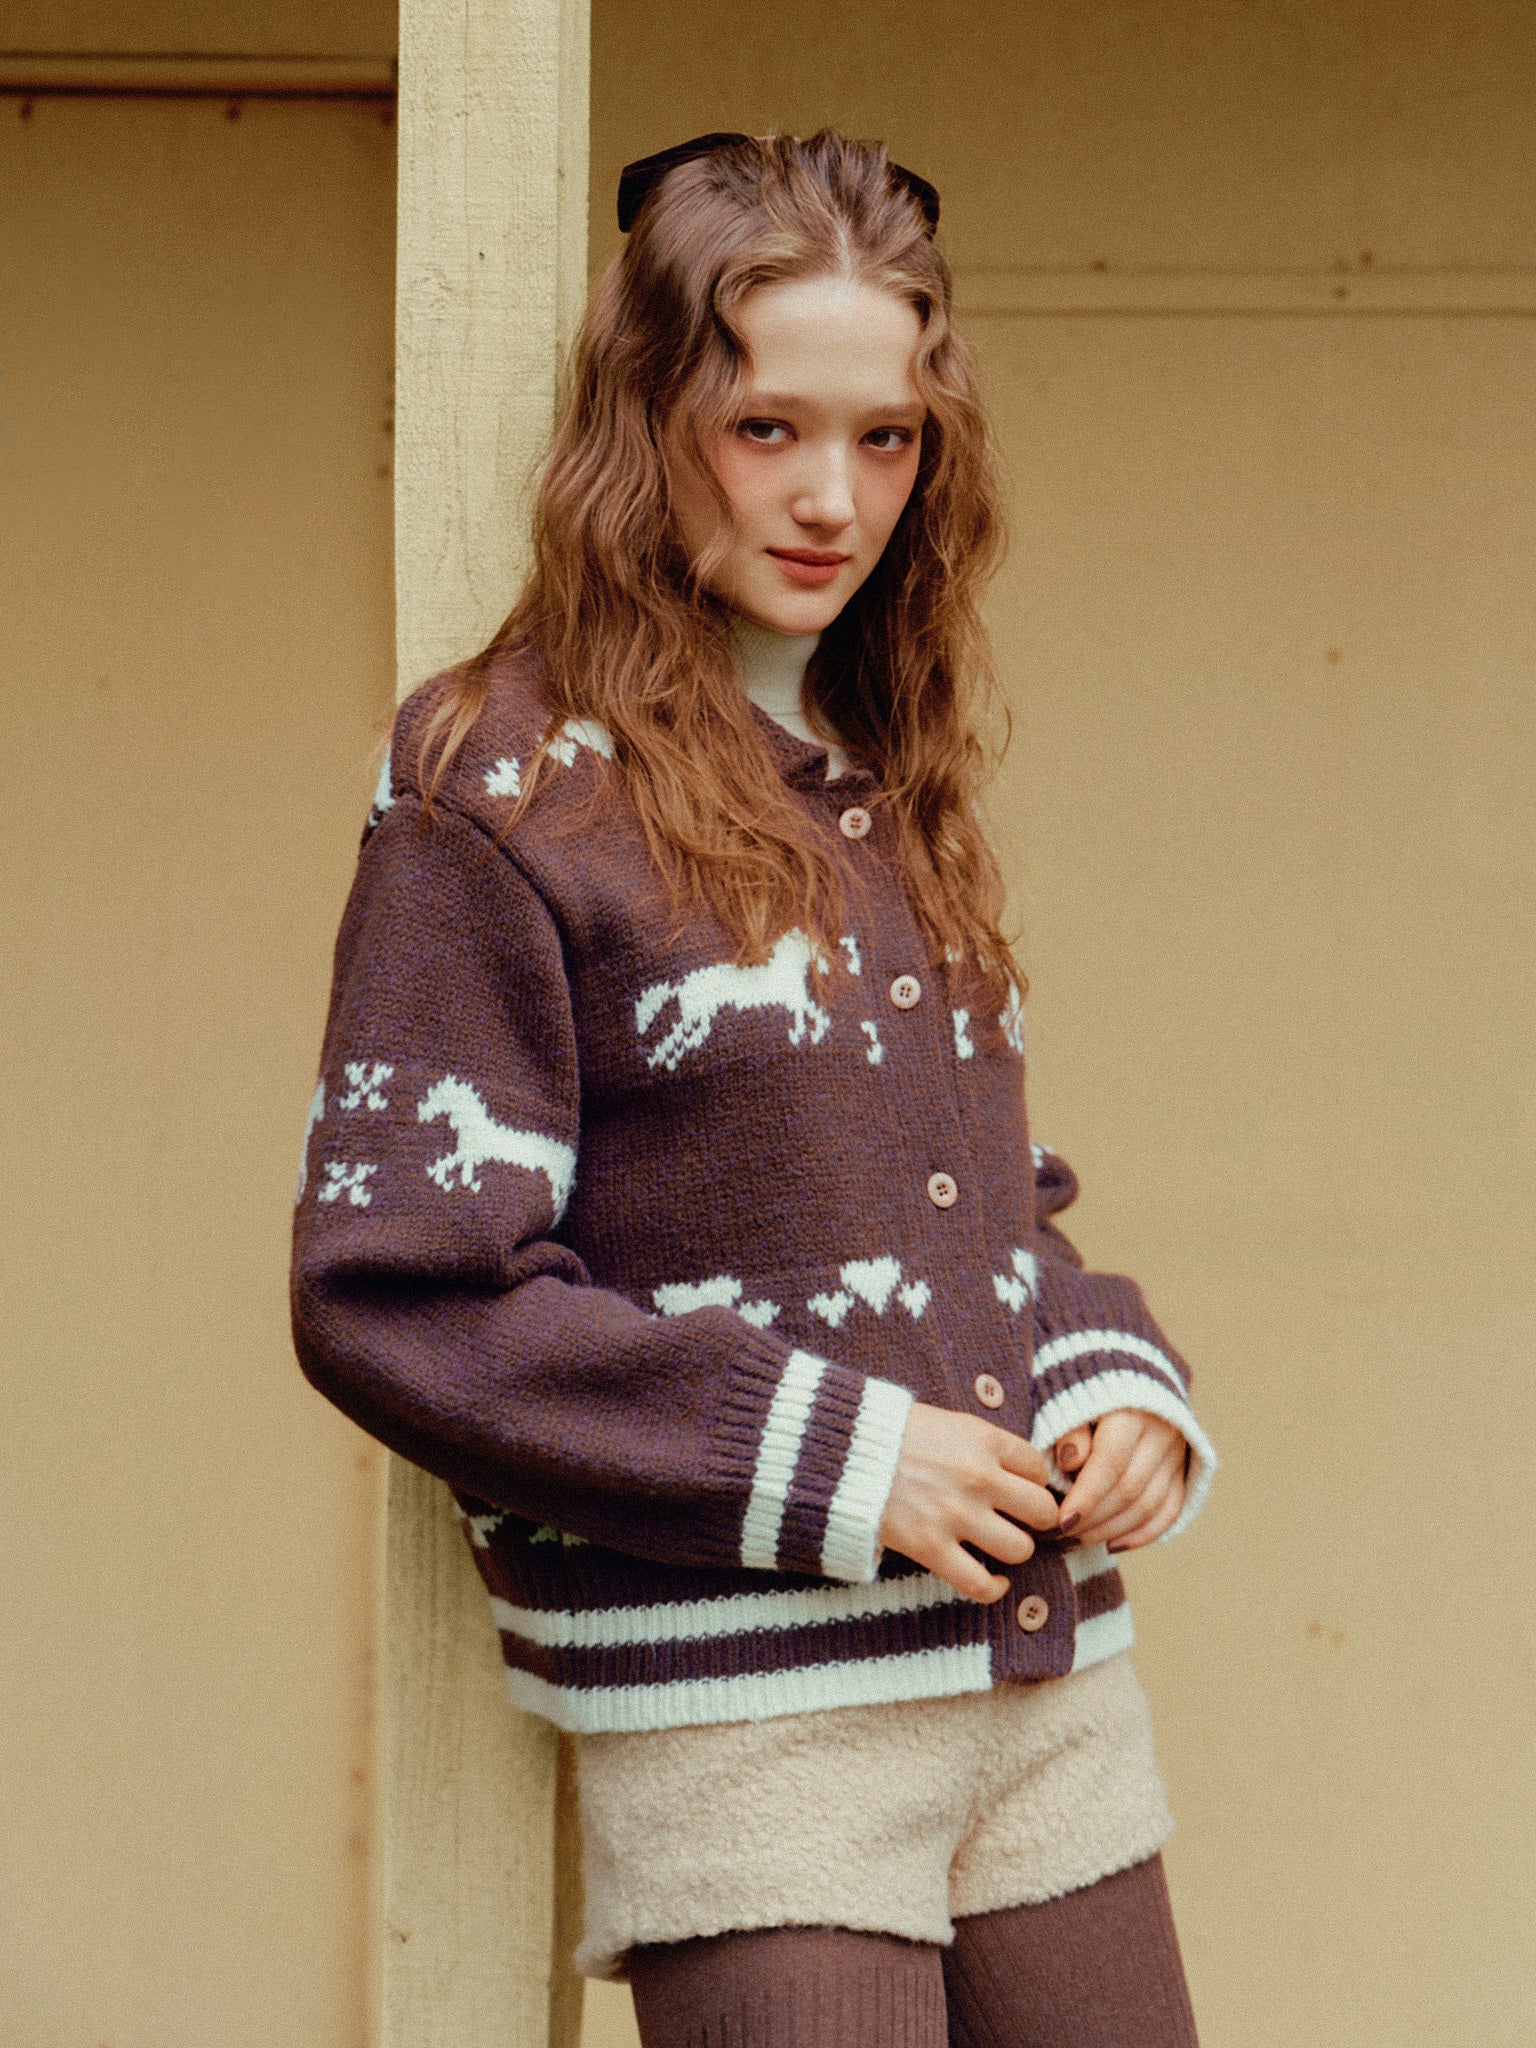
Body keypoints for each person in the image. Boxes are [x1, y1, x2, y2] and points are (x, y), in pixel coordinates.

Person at [292, 129, 1217, 2048]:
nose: (832, 497)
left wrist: (1101, 1379)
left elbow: (967, 1204)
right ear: (648, 423)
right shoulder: (500, 782)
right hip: (753, 1724)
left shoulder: (885, 755)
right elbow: (400, 1295)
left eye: (887, 439)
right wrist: (847, 1455)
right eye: (765, 427)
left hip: (1042, 1693)